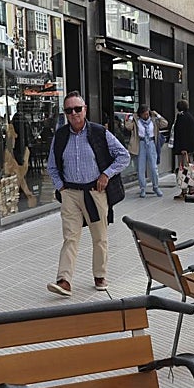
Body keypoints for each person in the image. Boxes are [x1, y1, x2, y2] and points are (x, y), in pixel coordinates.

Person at [46, 90, 130, 297]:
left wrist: (106, 175)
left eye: (77, 109)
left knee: (99, 237)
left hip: (95, 192)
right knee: (70, 237)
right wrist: (61, 187)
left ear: (85, 110)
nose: (74, 113)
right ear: (65, 113)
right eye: (69, 110)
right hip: (70, 194)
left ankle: (100, 275)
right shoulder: (61, 136)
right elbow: (52, 166)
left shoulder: (99, 132)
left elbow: (123, 155)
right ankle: (64, 280)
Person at [124, 104, 168, 197]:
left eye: (147, 114)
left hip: (151, 143)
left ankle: (156, 187)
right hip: (141, 143)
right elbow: (128, 126)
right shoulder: (137, 121)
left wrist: (157, 115)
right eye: (144, 114)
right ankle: (142, 188)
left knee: (153, 167)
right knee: (141, 168)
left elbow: (165, 123)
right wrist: (132, 117)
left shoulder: (153, 120)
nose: (146, 116)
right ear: (140, 114)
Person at [172, 99, 194, 199]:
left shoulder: (182, 117)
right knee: (189, 168)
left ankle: (184, 191)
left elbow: (182, 134)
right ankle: (191, 189)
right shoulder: (190, 117)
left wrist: (183, 148)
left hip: (183, 149)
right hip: (189, 148)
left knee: (183, 170)